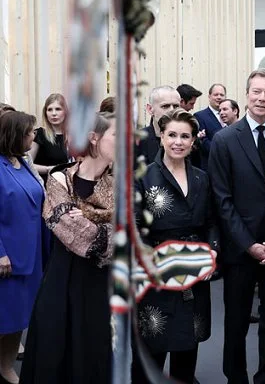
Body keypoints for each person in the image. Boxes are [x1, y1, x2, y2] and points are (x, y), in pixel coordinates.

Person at [208, 68, 265, 384]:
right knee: (235, 324)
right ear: (247, 94)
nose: (262, 98)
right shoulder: (223, 141)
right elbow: (221, 200)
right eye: (257, 92)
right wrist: (249, 244)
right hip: (239, 250)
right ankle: (237, 378)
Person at [21, 112, 116, 383]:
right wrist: (107, 225)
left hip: (105, 284)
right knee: (59, 353)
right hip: (65, 281)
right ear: (94, 139)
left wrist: (86, 216)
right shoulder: (59, 179)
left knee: (98, 353)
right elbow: (72, 232)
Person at [132, 108, 218, 384]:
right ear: (161, 137)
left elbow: (213, 221)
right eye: (172, 135)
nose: (178, 141)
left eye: (185, 136)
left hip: (194, 268)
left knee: (187, 344)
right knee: (152, 346)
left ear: (194, 141)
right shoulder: (143, 176)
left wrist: (212, 252)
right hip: (155, 269)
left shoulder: (202, 178)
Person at [0, 111, 44, 384]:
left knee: (18, 319)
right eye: (30, 132)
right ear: (16, 134)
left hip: (31, 254)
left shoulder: (23, 162)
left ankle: (5, 366)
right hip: (7, 258)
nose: (34, 136)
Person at [29, 93, 70, 182]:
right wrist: (48, 169)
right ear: (45, 113)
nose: (53, 113)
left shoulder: (72, 135)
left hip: (68, 184)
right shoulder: (39, 134)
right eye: (50, 110)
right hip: (46, 183)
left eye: (58, 109)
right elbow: (28, 164)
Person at [194, 83, 227, 155]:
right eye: (216, 95)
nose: (219, 97)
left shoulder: (229, 115)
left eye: (222, 95)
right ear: (209, 97)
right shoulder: (200, 116)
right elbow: (203, 142)